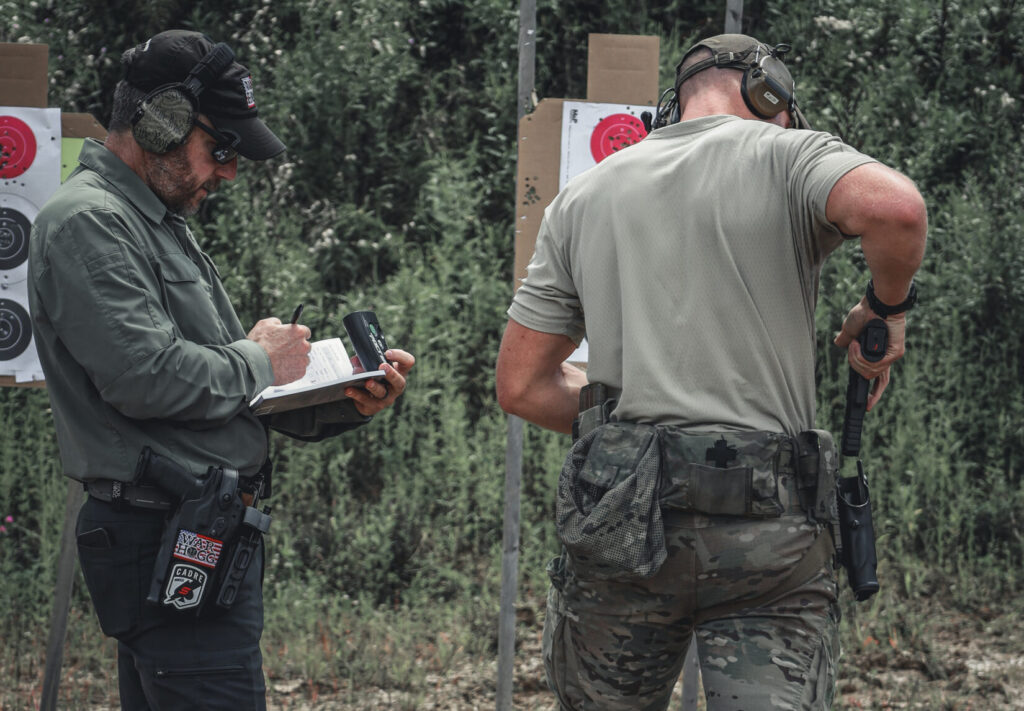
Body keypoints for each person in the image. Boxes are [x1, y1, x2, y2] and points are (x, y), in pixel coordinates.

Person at [496, 34, 926, 710]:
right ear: (771, 96)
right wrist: (885, 308)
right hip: (768, 536)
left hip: (626, 525)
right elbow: (896, 209)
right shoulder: (791, 154)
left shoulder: (583, 197)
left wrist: (631, 416)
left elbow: (521, 385)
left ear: (674, 105)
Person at [28, 30, 414, 709]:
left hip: (194, 527)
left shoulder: (152, 221)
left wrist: (346, 399)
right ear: (161, 120)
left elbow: (219, 393)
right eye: (222, 148)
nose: (228, 172)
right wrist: (259, 356)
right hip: (162, 530)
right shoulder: (88, 221)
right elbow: (147, 377)